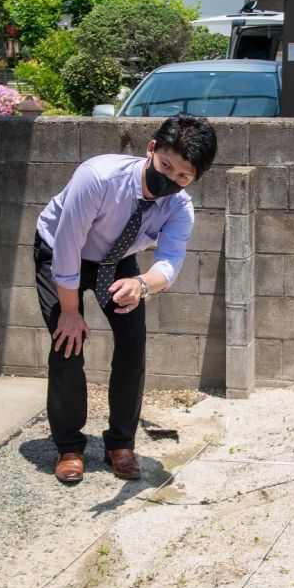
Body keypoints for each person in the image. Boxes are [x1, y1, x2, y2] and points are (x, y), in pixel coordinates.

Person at [34, 114, 218, 483]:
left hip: (117, 261)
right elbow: (67, 248)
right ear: (151, 149)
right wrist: (70, 312)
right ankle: (69, 447)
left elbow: (169, 262)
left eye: (182, 176)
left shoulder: (179, 207)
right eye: (165, 165)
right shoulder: (98, 177)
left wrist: (142, 284)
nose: (169, 179)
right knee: (67, 344)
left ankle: (121, 444)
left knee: (133, 344)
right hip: (60, 250)